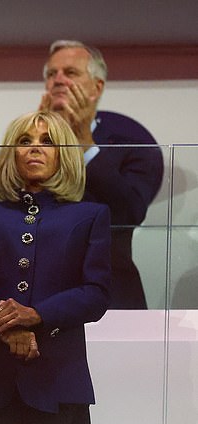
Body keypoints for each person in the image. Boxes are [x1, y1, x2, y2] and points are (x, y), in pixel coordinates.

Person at [0, 111, 111, 424]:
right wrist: (3, 326)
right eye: (25, 141)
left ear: (65, 153)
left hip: (58, 364)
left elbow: (96, 293)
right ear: (11, 153)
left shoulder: (90, 215)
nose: (35, 148)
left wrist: (36, 315)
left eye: (47, 141)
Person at [39, 39, 164, 309]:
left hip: (111, 297)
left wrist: (83, 142)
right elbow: (5, 209)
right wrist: (40, 141)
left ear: (97, 87)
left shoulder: (131, 148)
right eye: (51, 74)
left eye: (70, 73)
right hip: (38, 299)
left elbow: (129, 212)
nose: (58, 81)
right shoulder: (31, 150)